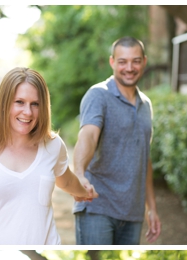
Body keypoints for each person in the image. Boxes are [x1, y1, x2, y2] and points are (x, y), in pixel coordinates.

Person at [0, 67, 97, 245]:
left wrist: (83, 191)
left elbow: (66, 180)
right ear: (4, 104)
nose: (28, 112)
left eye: (35, 104)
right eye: (20, 102)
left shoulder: (53, 146)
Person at [71, 37, 161, 245]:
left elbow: (144, 159)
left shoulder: (146, 105)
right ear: (112, 62)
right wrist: (79, 174)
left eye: (135, 61)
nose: (129, 68)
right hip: (97, 206)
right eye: (123, 61)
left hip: (132, 214)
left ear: (144, 62)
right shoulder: (98, 95)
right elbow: (88, 136)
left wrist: (152, 208)